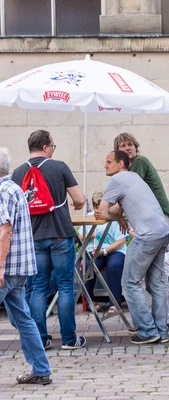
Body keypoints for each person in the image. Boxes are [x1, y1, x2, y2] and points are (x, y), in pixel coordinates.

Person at [11, 129, 87, 350]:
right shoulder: (60, 167)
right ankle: (69, 340)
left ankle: (41, 339)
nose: (54, 150)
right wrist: (78, 205)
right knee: (65, 286)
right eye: (53, 146)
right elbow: (79, 199)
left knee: (38, 288)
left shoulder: (17, 172)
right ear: (45, 147)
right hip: (60, 234)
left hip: (33, 238)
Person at [99, 150, 169, 345]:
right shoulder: (134, 178)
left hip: (146, 235)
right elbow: (120, 207)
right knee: (155, 283)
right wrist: (121, 215)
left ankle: (147, 331)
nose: (105, 165)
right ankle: (162, 331)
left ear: (121, 163)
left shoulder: (117, 180)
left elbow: (104, 212)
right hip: (163, 231)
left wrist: (118, 217)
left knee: (130, 283)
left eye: (108, 162)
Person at [0, 147, 52, 386]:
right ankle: (41, 370)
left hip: (6, 266)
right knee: (23, 318)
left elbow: (5, 230)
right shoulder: (15, 188)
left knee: (23, 318)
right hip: (20, 266)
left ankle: (41, 369)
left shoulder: (1, 190)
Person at [80, 190, 126, 315]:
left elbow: (121, 240)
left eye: (100, 206)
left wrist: (105, 251)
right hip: (94, 250)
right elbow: (80, 235)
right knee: (88, 267)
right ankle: (91, 302)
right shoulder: (89, 217)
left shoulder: (114, 217)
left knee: (114, 266)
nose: (97, 210)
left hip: (114, 250)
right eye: (95, 207)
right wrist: (88, 236)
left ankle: (114, 303)